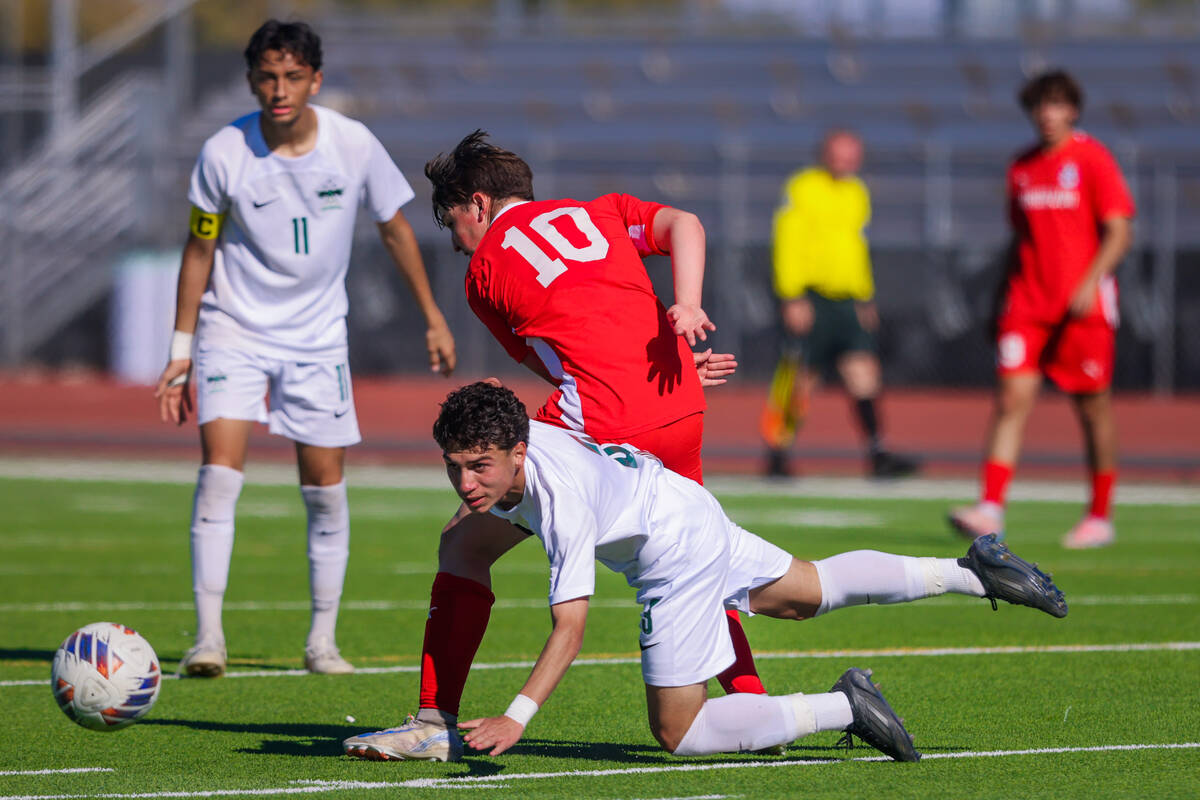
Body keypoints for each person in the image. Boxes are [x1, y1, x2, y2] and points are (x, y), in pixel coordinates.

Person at [344, 382, 1067, 762]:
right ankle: (973, 571)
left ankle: (844, 706)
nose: (467, 481)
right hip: (682, 501)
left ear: (518, 452)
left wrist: (518, 715)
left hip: (672, 551)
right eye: (455, 467)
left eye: (481, 466)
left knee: (678, 733)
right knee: (806, 591)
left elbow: (571, 624)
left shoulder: (555, 498)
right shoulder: (533, 439)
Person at [342, 131, 765, 762]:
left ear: (479, 204)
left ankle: (435, 720)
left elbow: (555, 358)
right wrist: (686, 310)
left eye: (452, 218)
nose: (455, 238)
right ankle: (754, 702)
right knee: (700, 556)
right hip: (678, 401)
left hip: (605, 416)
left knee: (461, 543)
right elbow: (685, 225)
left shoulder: (483, 273)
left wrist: (619, 386)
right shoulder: (601, 212)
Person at [153, 19, 456, 677]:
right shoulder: (223, 152)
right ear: (252, 80)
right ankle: (208, 641)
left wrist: (433, 315)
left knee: (324, 487)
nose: (279, 90)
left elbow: (397, 229)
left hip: (318, 339)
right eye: (267, 77)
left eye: (293, 77)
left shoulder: (353, 145)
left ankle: (322, 643)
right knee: (219, 474)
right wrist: (181, 348)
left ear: (315, 81)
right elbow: (199, 248)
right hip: (232, 329)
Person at [949, 70, 1134, 549]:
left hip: (1082, 307)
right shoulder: (1022, 167)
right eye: (1038, 105)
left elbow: (1119, 230)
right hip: (1027, 303)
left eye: (1055, 104)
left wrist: (1090, 281)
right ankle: (990, 508)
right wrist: (999, 298)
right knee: (1011, 400)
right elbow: (1021, 239)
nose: (1046, 114)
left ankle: (1100, 514)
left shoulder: (1092, 159)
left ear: (1072, 109)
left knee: (1093, 407)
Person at [761, 129, 918, 479]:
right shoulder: (803, 187)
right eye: (840, 153)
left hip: (847, 299)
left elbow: (855, 248)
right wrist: (792, 295)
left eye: (852, 154)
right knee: (801, 377)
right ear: (825, 153)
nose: (846, 161)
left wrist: (864, 297)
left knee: (864, 372)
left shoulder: (856, 192)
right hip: (811, 297)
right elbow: (787, 240)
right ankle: (777, 452)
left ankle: (878, 452)